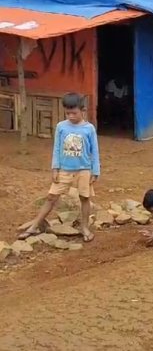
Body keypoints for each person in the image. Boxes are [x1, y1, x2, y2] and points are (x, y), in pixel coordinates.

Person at [18, 92, 100, 242]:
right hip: (64, 169)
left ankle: (85, 227)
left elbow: (94, 150)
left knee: (84, 197)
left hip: (84, 170)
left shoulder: (89, 129)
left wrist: (95, 171)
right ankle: (34, 226)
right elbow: (57, 148)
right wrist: (55, 168)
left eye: (74, 113)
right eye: (67, 113)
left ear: (82, 110)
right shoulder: (61, 127)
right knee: (51, 197)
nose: (70, 116)